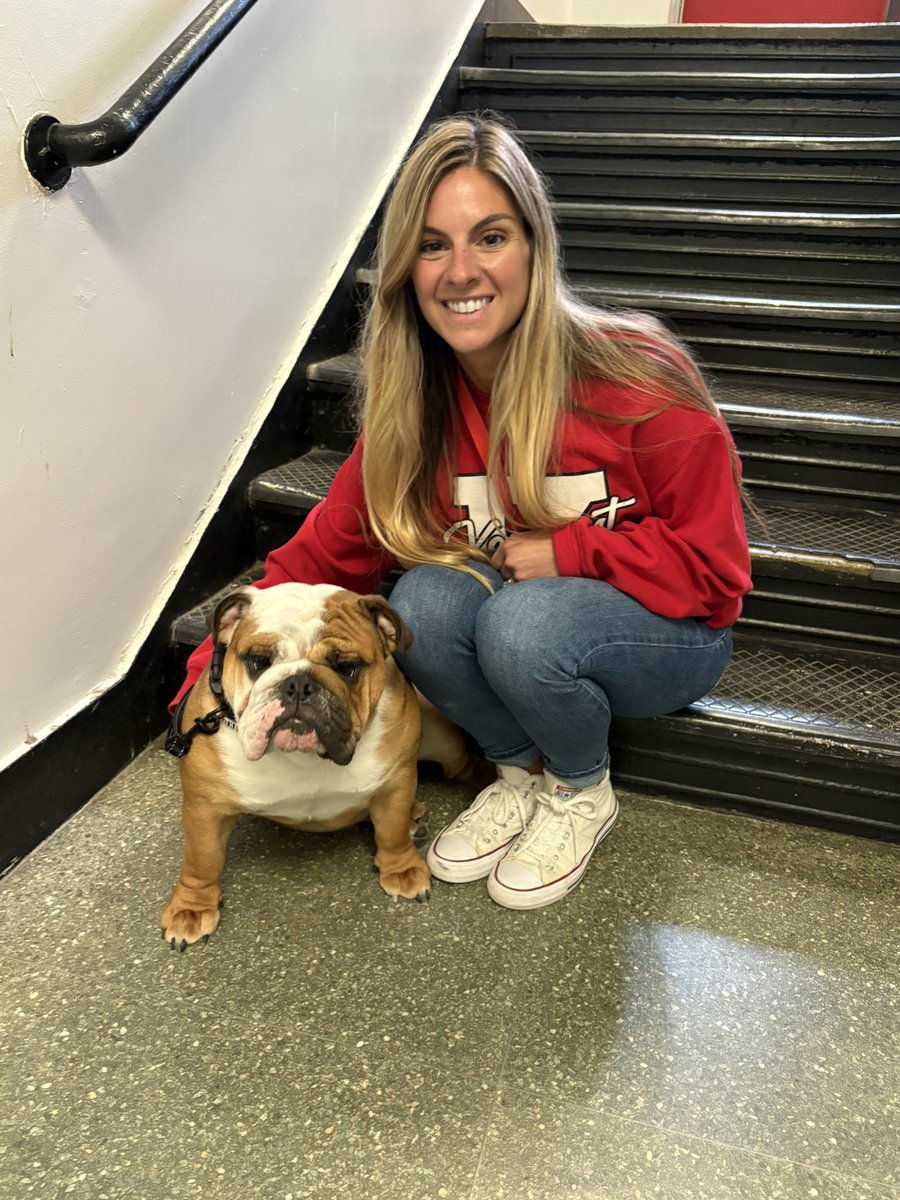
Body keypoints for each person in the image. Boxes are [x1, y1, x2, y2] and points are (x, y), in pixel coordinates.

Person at [171, 114, 752, 911]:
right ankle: (519, 773)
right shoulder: (414, 414)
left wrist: (575, 551)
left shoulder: (639, 377)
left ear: (534, 248)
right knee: (425, 604)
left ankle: (582, 790)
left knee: (524, 624)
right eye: (433, 245)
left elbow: (719, 578)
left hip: (669, 638)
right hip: (528, 631)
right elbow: (318, 562)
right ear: (407, 267)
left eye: (490, 236)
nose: (460, 270)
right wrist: (203, 693)